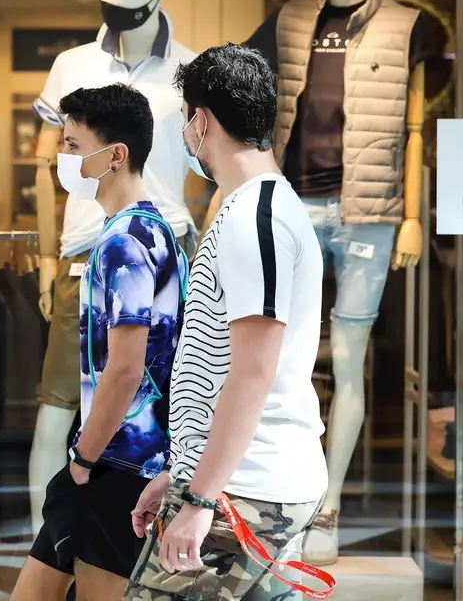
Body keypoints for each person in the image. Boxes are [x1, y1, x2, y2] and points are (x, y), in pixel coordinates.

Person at [124, 43, 328, 600]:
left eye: (187, 120)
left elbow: (252, 374)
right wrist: (183, 472)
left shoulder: (254, 220)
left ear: (202, 120)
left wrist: (200, 498)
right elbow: (220, 367)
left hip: (247, 492)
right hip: (240, 484)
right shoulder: (256, 209)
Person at [11, 84, 186, 601]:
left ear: (115, 155)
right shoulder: (153, 230)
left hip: (116, 464)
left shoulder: (123, 243)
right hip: (125, 455)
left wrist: (83, 460)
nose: (62, 158)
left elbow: (126, 369)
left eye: (71, 145)